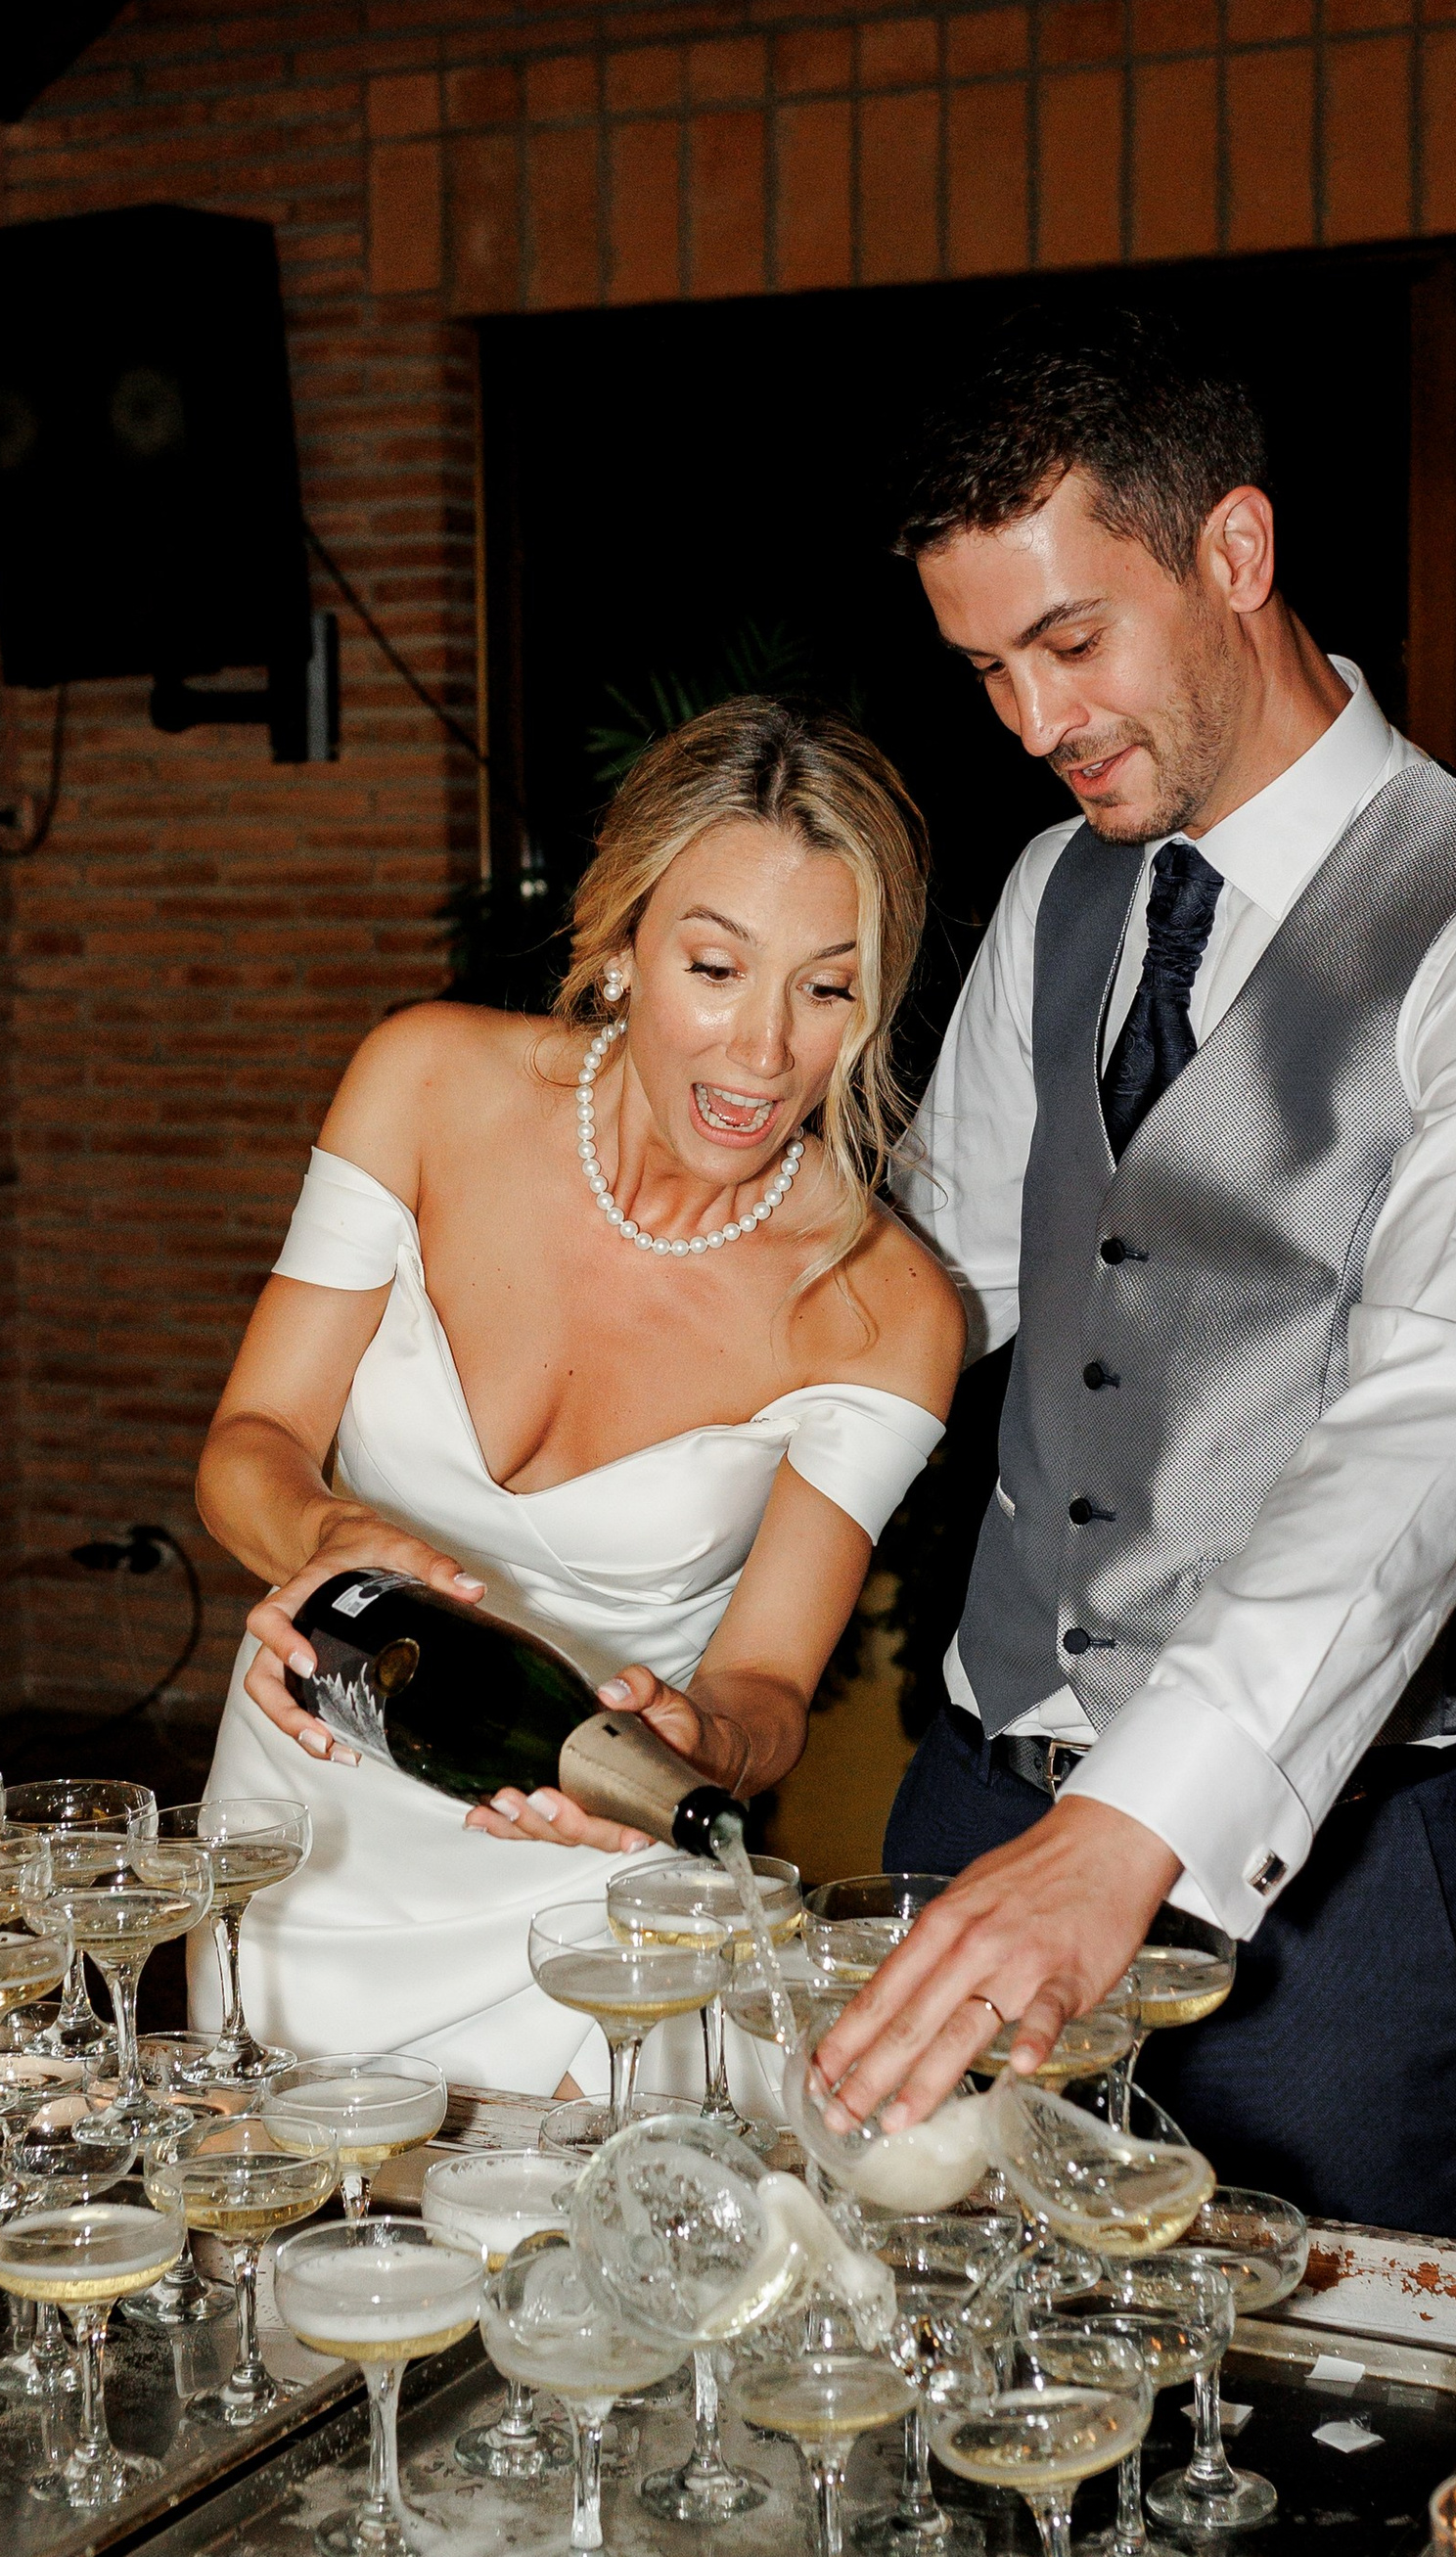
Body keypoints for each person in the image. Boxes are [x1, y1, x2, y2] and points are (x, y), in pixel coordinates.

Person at [816, 308, 1456, 2239]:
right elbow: (930, 1292)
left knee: (1324, 2450)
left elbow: (1427, 1416)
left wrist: (1133, 1819)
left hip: (1328, 1899)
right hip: (977, 1798)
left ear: (1235, 555)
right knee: (955, 2399)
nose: (1028, 719)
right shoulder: (1054, 884)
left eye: (1069, 642)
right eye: (984, 668)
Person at [192, 698, 963, 2094]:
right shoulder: (423, 1080)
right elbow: (250, 1447)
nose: (764, 1051)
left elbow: (767, 1682)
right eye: (717, 966)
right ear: (619, 948)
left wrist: (700, 1739)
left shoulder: (884, 1307)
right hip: (313, 1832)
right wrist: (319, 1536)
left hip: (592, 1892)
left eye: (827, 987)